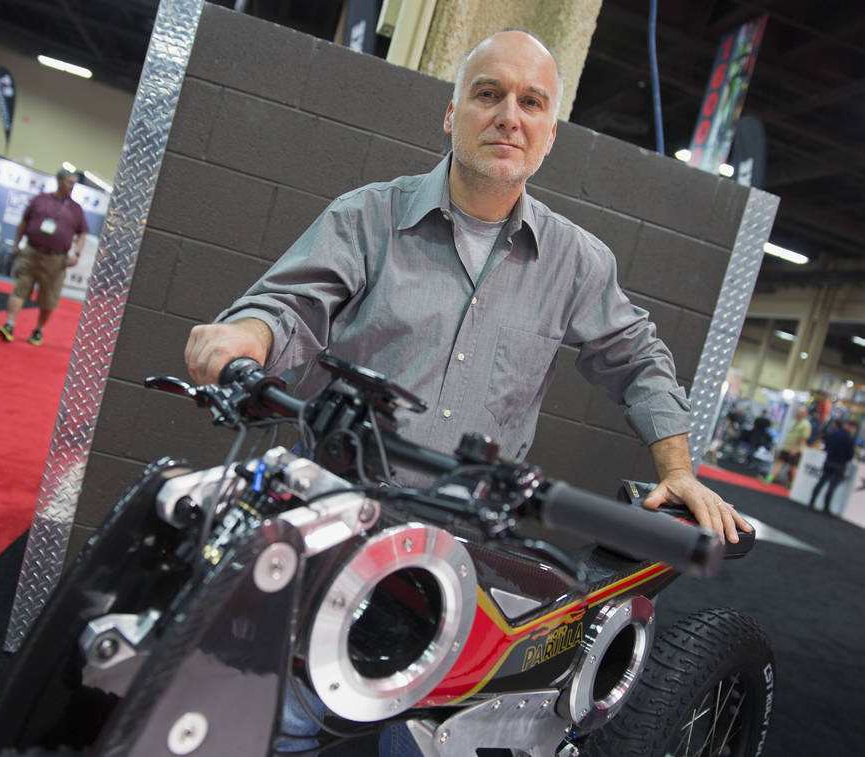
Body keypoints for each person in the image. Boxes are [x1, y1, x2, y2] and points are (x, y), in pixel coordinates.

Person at [186, 28, 751, 757]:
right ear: (452, 114)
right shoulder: (368, 217)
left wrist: (678, 468)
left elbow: (639, 358)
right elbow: (287, 307)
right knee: (276, 723)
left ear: (549, 135)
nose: (509, 116)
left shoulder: (577, 262)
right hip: (338, 525)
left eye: (531, 102)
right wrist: (244, 338)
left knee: (425, 741)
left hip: (466, 555)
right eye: (489, 94)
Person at [0, 169, 87, 346]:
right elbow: (24, 222)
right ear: (59, 181)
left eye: (74, 183)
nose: (72, 186)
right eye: (69, 182)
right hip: (31, 252)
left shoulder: (76, 209)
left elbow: (82, 233)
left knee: (49, 296)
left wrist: (76, 254)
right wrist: (17, 244)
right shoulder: (40, 200)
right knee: (20, 287)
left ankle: (38, 330)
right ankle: (9, 325)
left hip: (56, 259)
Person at [809, 419, 859, 515]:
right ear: (852, 428)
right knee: (831, 487)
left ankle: (811, 502)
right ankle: (826, 507)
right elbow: (850, 455)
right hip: (839, 464)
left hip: (829, 461)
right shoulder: (849, 439)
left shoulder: (834, 434)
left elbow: (826, 445)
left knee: (821, 482)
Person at [762, 405, 811, 485]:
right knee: (779, 463)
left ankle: (792, 486)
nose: (798, 414)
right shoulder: (794, 421)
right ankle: (768, 479)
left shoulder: (806, 424)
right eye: (798, 412)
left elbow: (804, 439)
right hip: (787, 448)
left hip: (796, 450)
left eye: (800, 413)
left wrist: (796, 449)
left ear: (805, 414)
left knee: (793, 468)